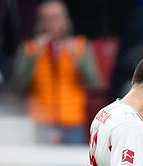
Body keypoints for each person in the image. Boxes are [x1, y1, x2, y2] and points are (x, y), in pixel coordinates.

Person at [11, 0, 102, 144]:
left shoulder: (80, 46)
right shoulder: (29, 48)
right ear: (39, 23)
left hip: (72, 122)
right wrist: (32, 58)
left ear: (66, 21)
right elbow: (18, 86)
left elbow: (94, 83)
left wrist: (77, 59)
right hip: (40, 123)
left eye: (56, 18)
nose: (51, 23)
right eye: (46, 19)